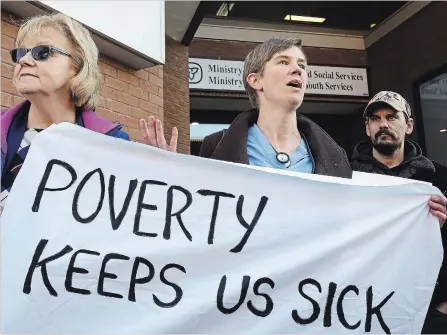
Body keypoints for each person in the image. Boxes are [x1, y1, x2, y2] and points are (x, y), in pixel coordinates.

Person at [141, 37, 352, 178]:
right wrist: (166, 177)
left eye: (302, 65)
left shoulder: (336, 156)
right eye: (283, 62)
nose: (297, 69)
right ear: (255, 80)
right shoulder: (214, 147)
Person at [0, 13, 129, 215]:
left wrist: (165, 173)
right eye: (20, 53)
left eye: (42, 52)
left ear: (77, 67)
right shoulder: (3, 133)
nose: (24, 60)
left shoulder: (112, 143)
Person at [351, 91, 447, 334]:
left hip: (428, 310)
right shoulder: (344, 178)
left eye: (392, 117)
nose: (383, 124)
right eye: (375, 119)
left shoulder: (441, 177)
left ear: (409, 125)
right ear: (367, 128)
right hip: (361, 307)